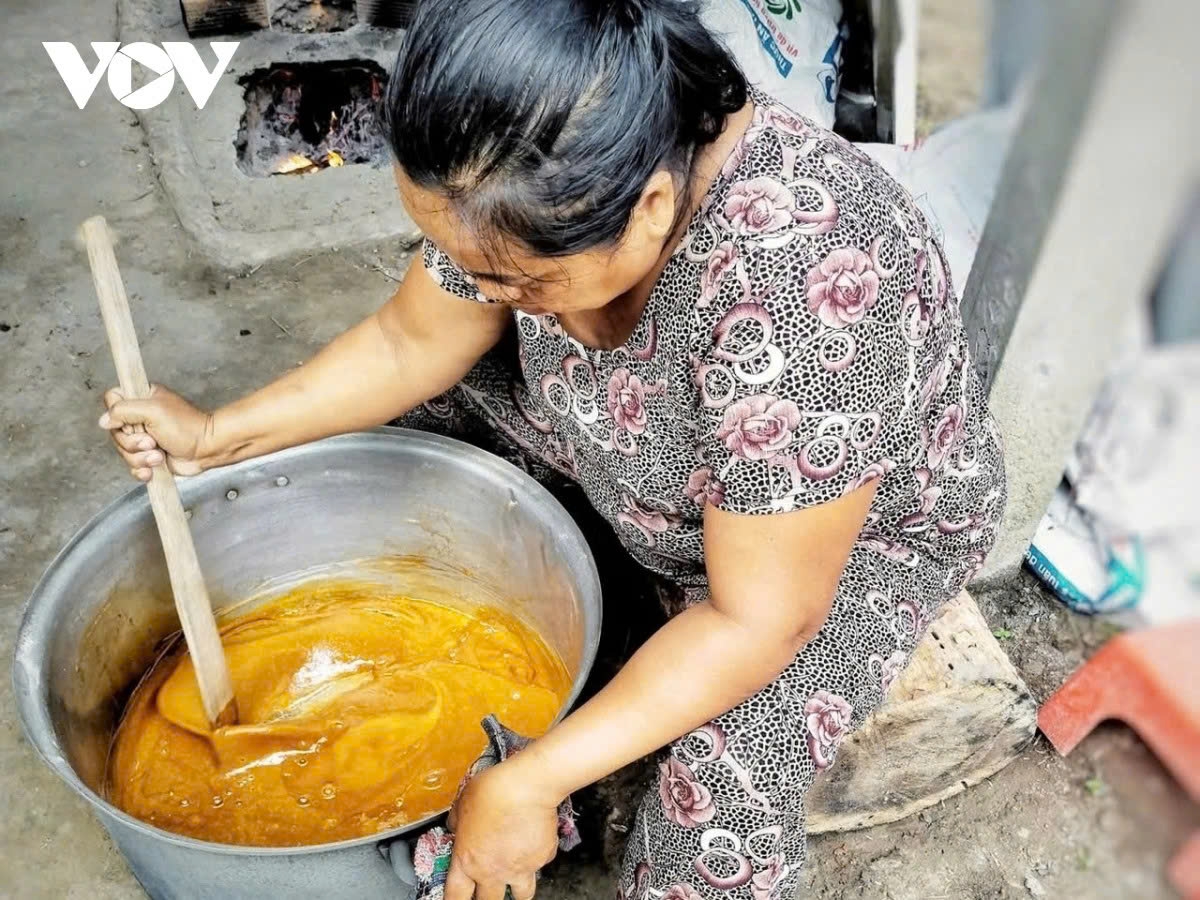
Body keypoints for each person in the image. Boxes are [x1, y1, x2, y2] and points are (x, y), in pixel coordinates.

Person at [99, 1, 1006, 897]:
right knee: (386, 470)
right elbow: (410, 344)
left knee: (722, 781)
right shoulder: (516, 169)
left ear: (651, 208)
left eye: (519, 280)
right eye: (467, 262)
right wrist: (217, 436)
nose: (485, 289)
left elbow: (756, 619)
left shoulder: (813, 292)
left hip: (831, 551)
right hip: (614, 437)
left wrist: (529, 781)